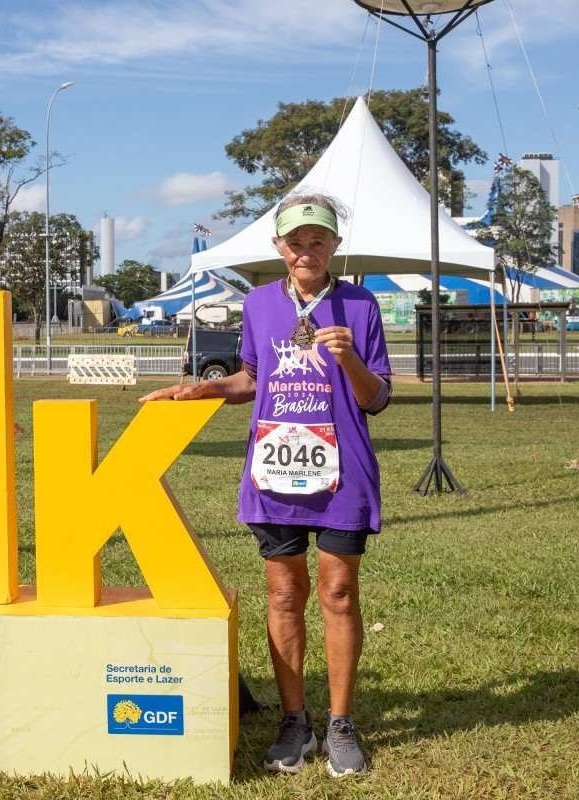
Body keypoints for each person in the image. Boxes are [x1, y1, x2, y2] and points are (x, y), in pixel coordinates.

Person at [141, 193, 391, 777]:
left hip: (341, 474)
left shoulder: (359, 303)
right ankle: (294, 719)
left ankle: (341, 723)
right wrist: (198, 389)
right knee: (283, 595)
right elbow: (251, 378)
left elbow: (378, 398)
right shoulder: (257, 304)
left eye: (318, 241)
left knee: (339, 594)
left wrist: (349, 358)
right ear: (279, 247)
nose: (307, 252)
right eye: (296, 242)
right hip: (276, 472)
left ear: (334, 245)